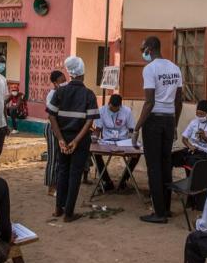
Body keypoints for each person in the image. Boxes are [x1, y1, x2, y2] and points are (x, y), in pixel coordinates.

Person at [133, 36, 183, 224]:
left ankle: (159, 213)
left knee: (154, 167)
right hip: (169, 120)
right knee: (165, 164)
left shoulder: (150, 69)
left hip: (153, 121)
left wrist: (137, 128)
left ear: (150, 48)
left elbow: (149, 102)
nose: (142, 52)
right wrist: (175, 124)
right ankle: (166, 209)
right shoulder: (175, 68)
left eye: (142, 49)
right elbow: (179, 101)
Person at [46, 56, 99, 222]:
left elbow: (52, 117)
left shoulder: (59, 92)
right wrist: (76, 141)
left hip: (63, 137)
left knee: (62, 171)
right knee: (75, 174)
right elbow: (89, 120)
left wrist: (61, 139)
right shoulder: (89, 94)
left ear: (69, 74)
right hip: (80, 140)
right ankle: (69, 213)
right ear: (82, 74)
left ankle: (58, 209)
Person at [93, 94, 139, 191]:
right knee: (95, 153)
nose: (113, 110)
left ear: (120, 106)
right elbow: (98, 129)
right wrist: (94, 139)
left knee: (137, 154)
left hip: (122, 141)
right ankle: (107, 181)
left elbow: (131, 129)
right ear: (108, 104)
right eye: (111, 108)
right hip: (107, 141)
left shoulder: (127, 111)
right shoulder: (101, 111)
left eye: (116, 109)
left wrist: (132, 141)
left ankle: (123, 180)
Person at [172, 100, 207, 173]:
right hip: (192, 150)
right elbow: (184, 139)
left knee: (192, 161)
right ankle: (168, 182)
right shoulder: (193, 122)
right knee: (172, 157)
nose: (199, 116)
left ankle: (194, 181)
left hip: (205, 153)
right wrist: (190, 146)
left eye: (202, 114)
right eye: (197, 113)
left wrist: (205, 138)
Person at [44, 70, 66, 195]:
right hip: (52, 128)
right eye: (62, 81)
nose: (65, 83)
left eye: (65, 80)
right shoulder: (52, 94)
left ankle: (57, 184)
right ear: (55, 83)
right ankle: (51, 187)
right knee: (53, 158)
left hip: (61, 129)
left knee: (59, 158)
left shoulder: (63, 93)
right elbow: (52, 115)